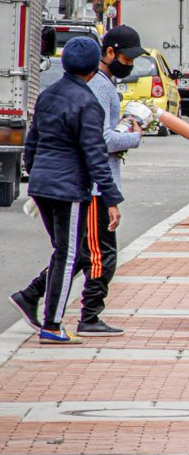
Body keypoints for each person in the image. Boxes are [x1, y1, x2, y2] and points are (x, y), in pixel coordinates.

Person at [9, 37, 124, 344]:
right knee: (70, 254)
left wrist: (35, 177)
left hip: (44, 182)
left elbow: (32, 142)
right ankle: (52, 324)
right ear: (91, 70)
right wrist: (111, 198)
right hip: (68, 188)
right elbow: (95, 154)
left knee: (69, 252)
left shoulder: (48, 95)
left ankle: (30, 298)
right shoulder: (87, 102)